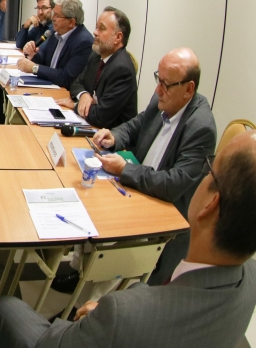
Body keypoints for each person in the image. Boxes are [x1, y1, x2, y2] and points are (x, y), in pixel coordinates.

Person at [0, 130, 256, 348]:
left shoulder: (123, 314)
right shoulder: (250, 279)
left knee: (2, 308)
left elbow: (53, 343)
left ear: (211, 203)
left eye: (210, 169)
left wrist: (96, 325)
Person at [89, 47, 217, 285]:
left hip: (162, 212)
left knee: (108, 257)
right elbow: (137, 124)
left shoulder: (201, 128)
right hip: (136, 189)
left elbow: (173, 184)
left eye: (166, 84)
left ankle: (94, 303)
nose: (158, 89)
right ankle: (80, 273)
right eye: (158, 79)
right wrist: (114, 136)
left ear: (188, 89)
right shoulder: (164, 99)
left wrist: (124, 170)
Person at [55, 7, 138, 128]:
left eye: (102, 28)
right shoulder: (96, 55)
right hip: (90, 125)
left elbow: (101, 117)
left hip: (111, 139)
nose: (95, 32)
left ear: (118, 37)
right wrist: (83, 95)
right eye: (96, 27)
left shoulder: (122, 69)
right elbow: (77, 83)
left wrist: (75, 105)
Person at [16, 0, 93, 88]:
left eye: (57, 16)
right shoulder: (54, 32)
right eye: (53, 14)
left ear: (71, 22)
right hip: (49, 85)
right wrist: (33, 54)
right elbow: (43, 58)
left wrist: (34, 68)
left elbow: (67, 77)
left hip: (65, 93)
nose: (53, 19)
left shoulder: (83, 42)